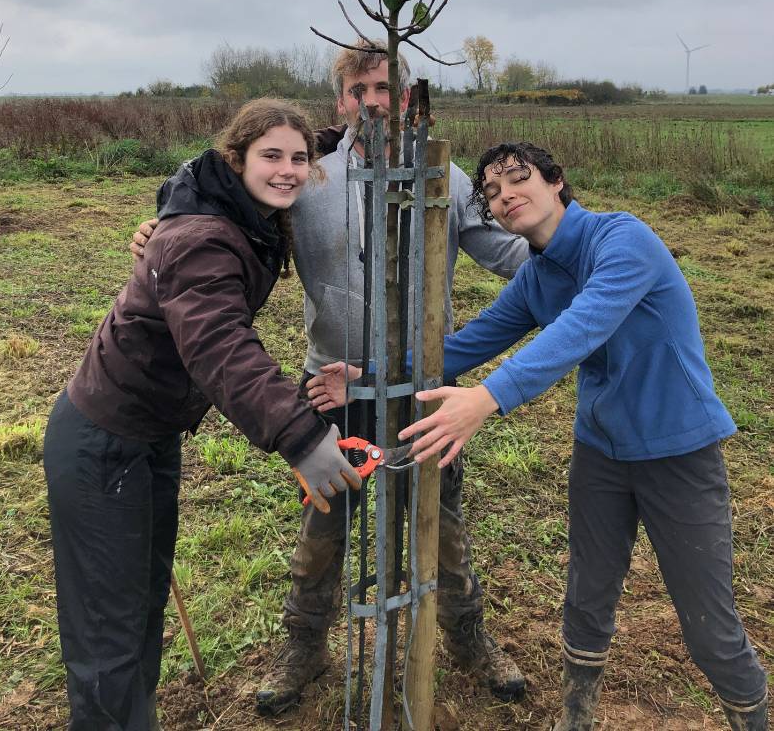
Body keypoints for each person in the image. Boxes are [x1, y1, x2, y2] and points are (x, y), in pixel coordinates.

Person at [311, 141, 768, 730]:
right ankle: (575, 717)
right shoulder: (538, 276)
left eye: (518, 180)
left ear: (557, 183)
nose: (505, 198)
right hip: (601, 451)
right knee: (586, 595)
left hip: (678, 451)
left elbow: (583, 326)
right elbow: (462, 346)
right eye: (493, 194)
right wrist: (368, 380)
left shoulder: (622, 240)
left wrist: (487, 398)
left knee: (709, 623)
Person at [132, 41, 531, 716]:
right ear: (340, 99)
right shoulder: (306, 181)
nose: (375, 101)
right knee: (324, 526)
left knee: (442, 521)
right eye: (360, 89)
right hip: (332, 390)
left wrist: (581, 246)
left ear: (408, 96)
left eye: (387, 88)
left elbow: (511, 255)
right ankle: (304, 646)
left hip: (424, 391)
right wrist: (161, 230)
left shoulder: (447, 179)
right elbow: (221, 211)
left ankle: (468, 638)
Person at [44, 99, 362, 731]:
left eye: (299, 158)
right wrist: (300, 433)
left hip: (147, 436)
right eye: (270, 156)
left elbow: (306, 143)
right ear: (235, 158)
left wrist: (357, 128)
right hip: (103, 445)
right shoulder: (201, 238)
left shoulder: (229, 204)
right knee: (109, 630)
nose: (288, 170)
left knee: (140, 607)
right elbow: (219, 344)